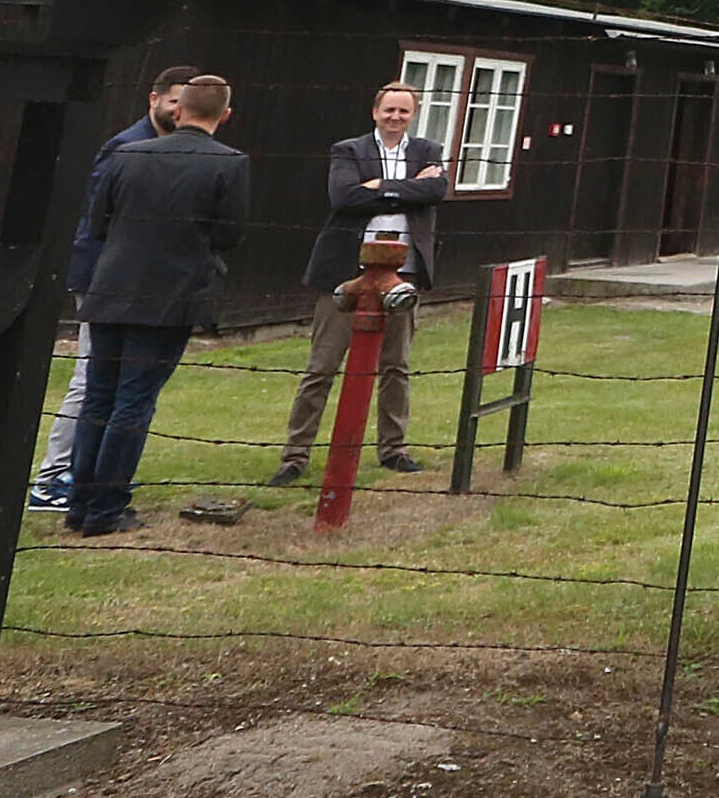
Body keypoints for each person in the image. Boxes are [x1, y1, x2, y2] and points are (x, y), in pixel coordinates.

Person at [65, 72, 249, 536]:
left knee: (98, 397)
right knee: (133, 401)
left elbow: (99, 222)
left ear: (178, 108)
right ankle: (106, 508)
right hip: (171, 296)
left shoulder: (127, 154)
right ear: (225, 115)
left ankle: (80, 504)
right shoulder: (230, 164)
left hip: (110, 287)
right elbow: (230, 234)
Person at [27, 65, 193, 512]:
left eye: (188, 102)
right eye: (175, 99)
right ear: (153, 100)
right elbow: (95, 220)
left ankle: (92, 473)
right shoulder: (124, 146)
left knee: (116, 385)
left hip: (140, 285)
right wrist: (97, 280)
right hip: (105, 279)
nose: (181, 110)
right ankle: (52, 478)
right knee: (90, 380)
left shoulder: (174, 150)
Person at [271, 80, 450, 483]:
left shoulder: (427, 151)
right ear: (375, 112)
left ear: (413, 115)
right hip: (346, 271)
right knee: (321, 366)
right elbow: (344, 197)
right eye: (389, 110)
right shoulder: (349, 150)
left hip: (403, 273)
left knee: (396, 365)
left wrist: (382, 187)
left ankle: (393, 448)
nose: (395, 117)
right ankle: (295, 455)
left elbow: (436, 190)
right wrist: (409, 189)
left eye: (404, 111)